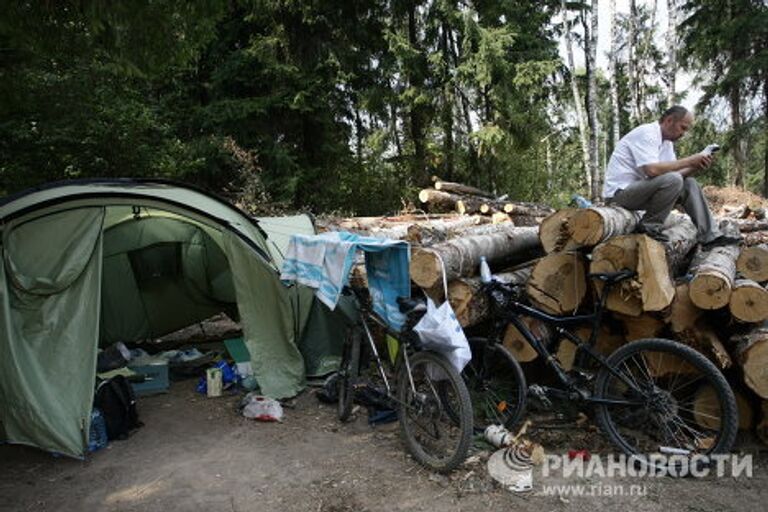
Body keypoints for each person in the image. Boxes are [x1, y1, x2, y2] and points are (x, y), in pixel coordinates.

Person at [603, 106, 741, 248]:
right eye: (683, 128)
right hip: (618, 196)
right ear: (669, 120)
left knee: (689, 183)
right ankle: (649, 226)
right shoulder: (647, 133)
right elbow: (651, 170)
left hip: (639, 193)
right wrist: (690, 160)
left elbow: (675, 179)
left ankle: (710, 236)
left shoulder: (666, 143)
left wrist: (695, 167)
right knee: (674, 179)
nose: (683, 134)